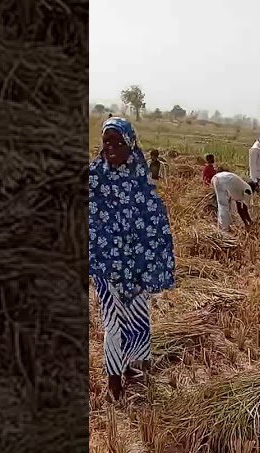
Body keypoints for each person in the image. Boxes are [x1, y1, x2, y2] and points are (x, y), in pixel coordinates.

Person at [90, 117, 176, 402]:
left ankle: (130, 367)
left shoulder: (141, 181)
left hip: (136, 266)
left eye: (118, 142)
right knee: (113, 322)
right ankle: (114, 380)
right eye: (107, 142)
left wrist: (151, 261)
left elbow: (155, 224)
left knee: (137, 318)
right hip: (106, 266)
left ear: (130, 145)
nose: (111, 148)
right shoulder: (94, 178)